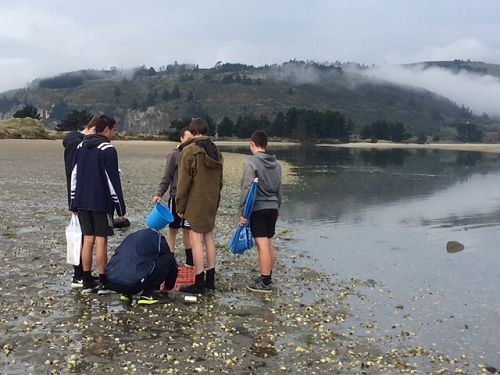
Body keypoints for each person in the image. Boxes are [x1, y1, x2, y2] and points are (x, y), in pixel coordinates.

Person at [70, 114, 126, 294]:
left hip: (82, 201)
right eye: (113, 129)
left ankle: (86, 280)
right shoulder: (107, 149)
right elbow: (112, 180)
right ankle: (103, 281)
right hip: (101, 201)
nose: (114, 133)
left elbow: (74, 175)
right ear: (106, 129)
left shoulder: (80, 146)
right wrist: (120, 206)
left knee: (88, 240)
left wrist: (73, 201)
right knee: (101, 240)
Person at [176, 118, 223, 294]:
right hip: (211, 199)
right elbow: (220, 181)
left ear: (193, 132)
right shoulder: (215, 150)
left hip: (195, 201)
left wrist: (180, 206)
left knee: (196, 240)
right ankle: (210, 279)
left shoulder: (189, 151)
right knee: (209, 238)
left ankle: (198, 281)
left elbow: (183, 183)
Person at [239, 130, 282, 293]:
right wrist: (278, 207)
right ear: (267, 145)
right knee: (269, 242)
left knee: (261, 244)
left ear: (252, 144)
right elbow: (279, 189)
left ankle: (265, 282)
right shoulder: (277, 164)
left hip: (259, 208)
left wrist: (243, 212)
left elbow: (247, 188)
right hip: (273, 206)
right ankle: (268, 275)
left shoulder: (251, 163)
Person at [152, 127, 193, 265]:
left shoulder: (194, 155)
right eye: (187, 139)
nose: (189, 142)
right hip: (175, 197)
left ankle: (190, 259)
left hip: (190, 200)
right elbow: (167, 176)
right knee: (173, 229)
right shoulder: (174, 155)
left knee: (188, 229)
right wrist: (159, 194)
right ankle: (170, 259)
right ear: (181, 139)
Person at [63, 121, 96, 288]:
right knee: (79, 237)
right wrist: (73, 202)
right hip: (78, 199)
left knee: (82, 236)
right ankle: (79, 275)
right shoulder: (75, 144)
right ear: (92, 129)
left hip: (81, 198)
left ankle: (82, 274)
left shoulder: (76, 142)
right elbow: (72, 174)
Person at [105, 228, 178, 305]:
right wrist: (168, 287)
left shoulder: (131, 236)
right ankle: (147, 295)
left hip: (111, 281)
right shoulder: (158, 238)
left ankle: (126, 294)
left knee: (131, 260)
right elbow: (169, 258)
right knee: (169, 259)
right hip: (132, 284)